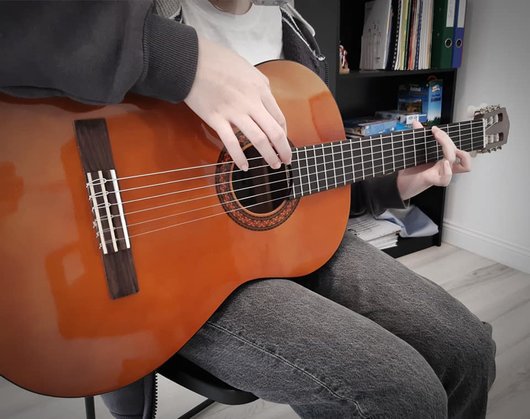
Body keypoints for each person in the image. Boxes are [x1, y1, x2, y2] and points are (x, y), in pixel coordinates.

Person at [0, 1, 495, 418]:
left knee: (469, 350)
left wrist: (396, 184)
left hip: (276, 249)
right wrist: (183, 61)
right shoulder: (144, 11)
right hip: (174, 281)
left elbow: (300, 184)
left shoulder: (296, 36)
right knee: (403, 393)